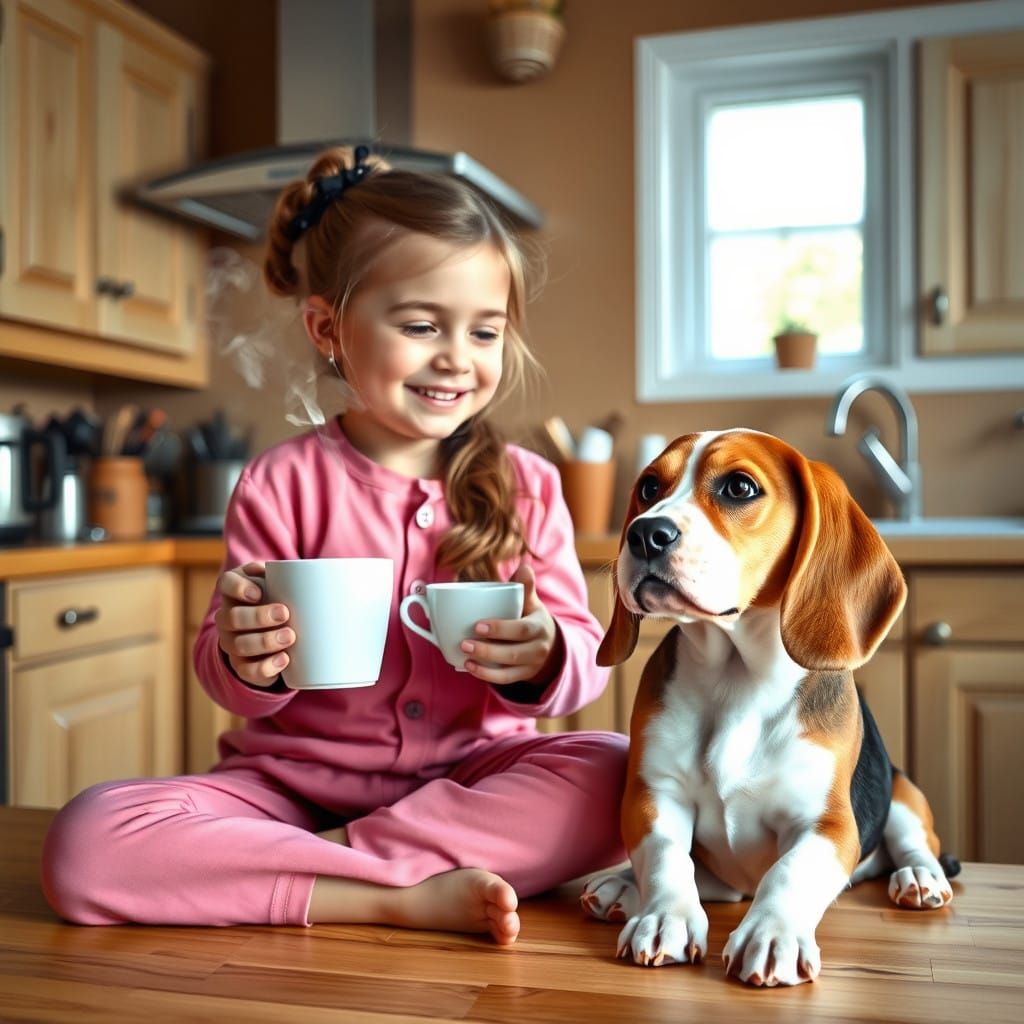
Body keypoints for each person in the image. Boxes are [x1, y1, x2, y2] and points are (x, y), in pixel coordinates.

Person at [41, 146, 628, 944]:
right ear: (329, 328)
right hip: (287, 789)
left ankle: (316, 872)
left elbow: (586, 659)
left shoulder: (528, 484)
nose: (457, 356)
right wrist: (251, 657)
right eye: (421, 325)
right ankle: (393, 893)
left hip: (474, 778)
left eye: (485, 331)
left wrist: (547, 654)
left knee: (620, 771)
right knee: (86, 841)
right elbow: (227, 664)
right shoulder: (279, 481)